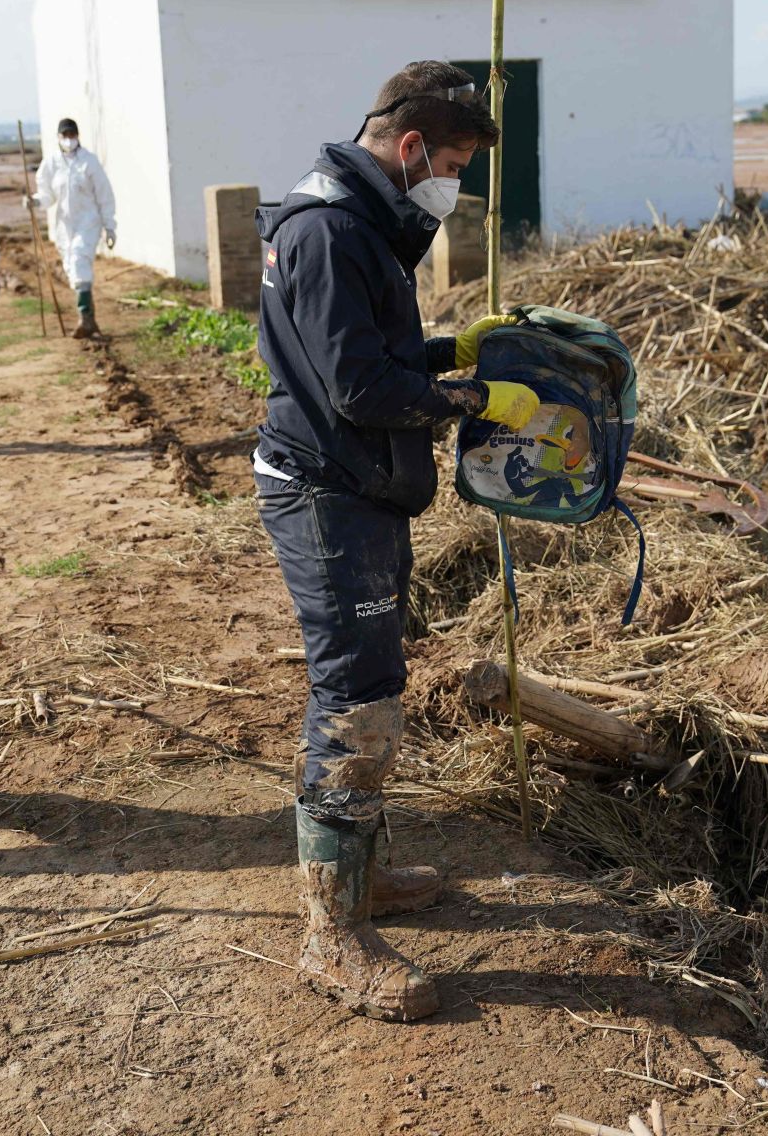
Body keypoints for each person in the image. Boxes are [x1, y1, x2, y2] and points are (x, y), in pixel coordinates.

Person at [252, 61, 543, 1022]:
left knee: (373, 682)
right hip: (327, 493)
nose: (453, 182)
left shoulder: (354, 218)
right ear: (411, 146)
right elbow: (357, 390)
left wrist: (449, 352)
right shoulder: (332, 229)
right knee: (355, 698)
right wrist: (470, 400)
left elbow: (370, 357)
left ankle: (359, 873)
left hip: (358, 487)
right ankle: (330, 937)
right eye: (453, 161)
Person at [25, 118, 116, 339]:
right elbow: (48, 195)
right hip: (64, 226)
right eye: (64, 135)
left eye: (72, 135)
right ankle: (89, 318)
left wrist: (109, 225)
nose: (69, 139)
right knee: (72, 269)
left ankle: (84, 318)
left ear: (78, 136)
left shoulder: (89, 162)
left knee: (78, 260)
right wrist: (35, 201)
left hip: (88, 222)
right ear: (58, 137)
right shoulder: (52, 164)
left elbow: (105, 195)